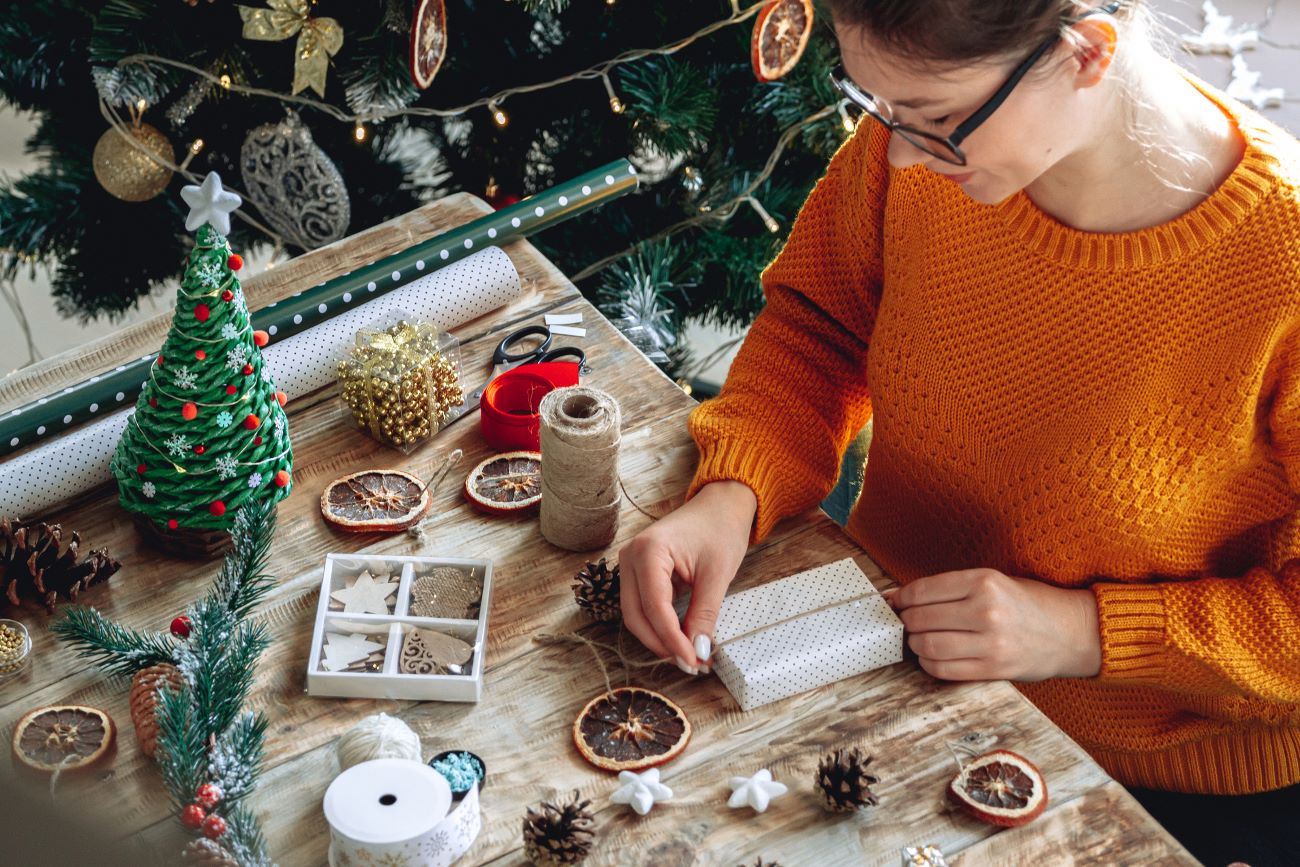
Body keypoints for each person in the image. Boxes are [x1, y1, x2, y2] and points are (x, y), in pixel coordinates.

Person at [617, 1, 1300, 863]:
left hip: (1163, 781)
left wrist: (1079, 631)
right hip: (879, 665)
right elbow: (820, 327)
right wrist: (733, 490)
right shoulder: (922, 151)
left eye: (935, 120)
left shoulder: (1285, 267)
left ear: (1087, 53)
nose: (899, 150)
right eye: (877, 107)